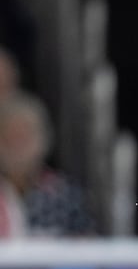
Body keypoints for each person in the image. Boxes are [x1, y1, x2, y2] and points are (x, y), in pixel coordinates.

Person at [0, 92, 97, 239]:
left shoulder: (65, 194)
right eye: (10, 137)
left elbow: (88, 247)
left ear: (43, 140)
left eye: (24, 137)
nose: (17, 145)